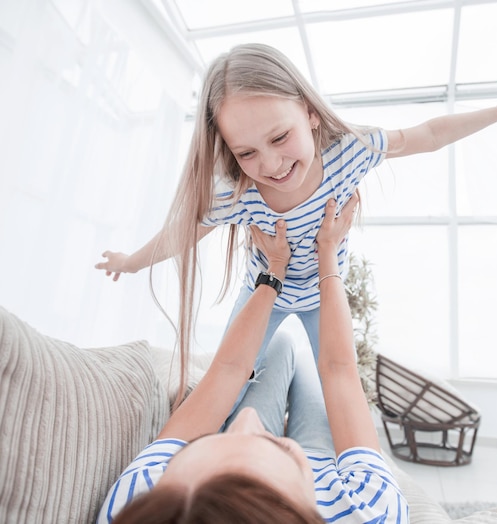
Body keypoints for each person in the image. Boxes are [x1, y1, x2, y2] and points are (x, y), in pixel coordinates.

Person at [95, 43, 497, 408]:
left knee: (340, 394)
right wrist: (133, 261)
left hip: (323, 296)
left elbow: (426, 135)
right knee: (225, 383)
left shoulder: (350, 151)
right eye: (247, 153)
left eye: (279, 137)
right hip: (261, 294)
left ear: (309, 112)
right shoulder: (236, 192)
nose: (270, 164)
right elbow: (183, 233)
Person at [96, 195, 410, 523]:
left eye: (217, 438)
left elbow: (228, 371)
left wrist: (275, 268)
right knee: (308, 368)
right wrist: (327, 251)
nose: (245, 417)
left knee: (282, 345)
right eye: (277, 446)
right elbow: (339, 370)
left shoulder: (150, 502)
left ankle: (289, 371)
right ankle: (295, 380)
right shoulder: (371, 511)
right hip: (324, 462)